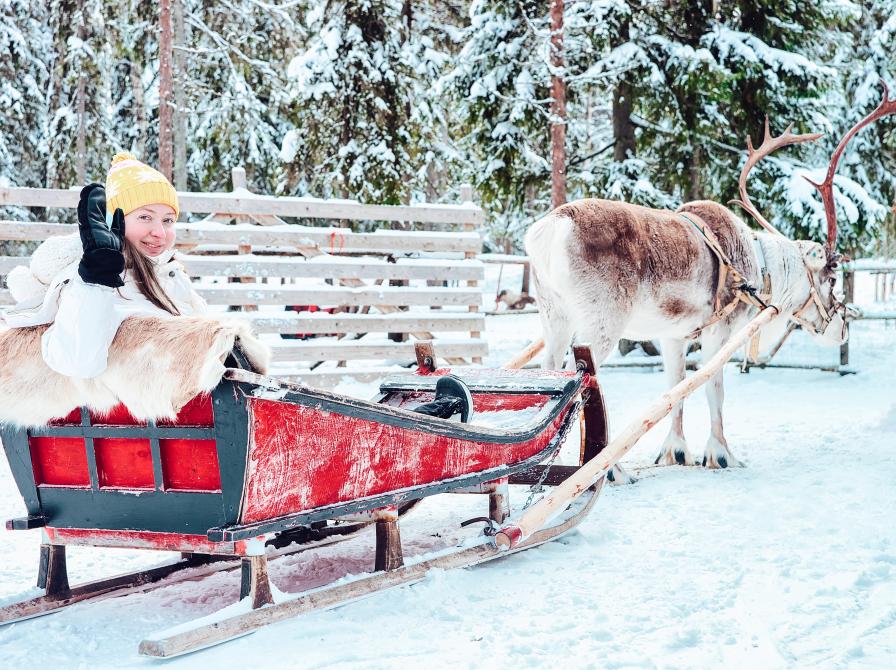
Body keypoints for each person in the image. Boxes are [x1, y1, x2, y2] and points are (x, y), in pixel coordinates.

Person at [3, 152, 207, 378]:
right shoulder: (91, 281)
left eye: (168, 220)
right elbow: (78, 363)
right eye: (145, 217)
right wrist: (97, 278)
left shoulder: (170, 274)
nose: (159, 232)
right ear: (112, 223)